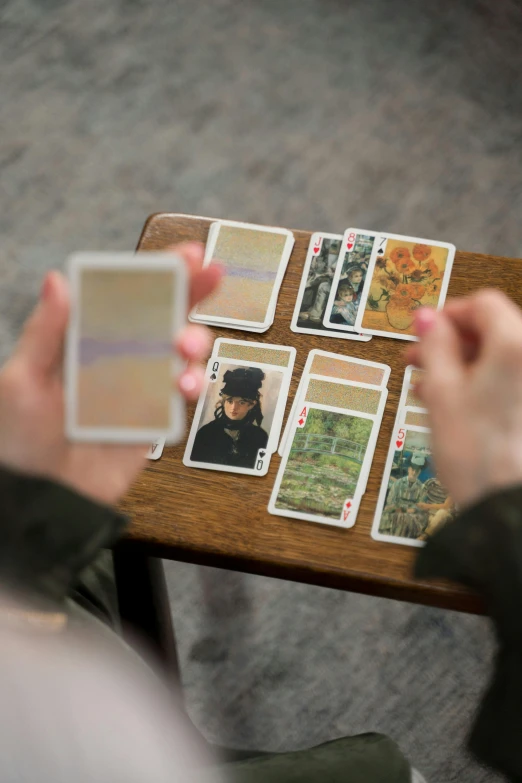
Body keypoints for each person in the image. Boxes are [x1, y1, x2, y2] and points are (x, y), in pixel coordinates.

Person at [190, 367, 269, 468]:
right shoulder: (206, 434)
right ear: (223, 402)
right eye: (230, 401)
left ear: (251, 405)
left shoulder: (260, 436)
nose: (233, 408)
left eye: (241, 402)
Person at [379, 454, 427, 538]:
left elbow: (421, 506)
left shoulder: (422, 488)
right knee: (393, 517)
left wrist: (410, 509)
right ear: (409, 469)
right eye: (413, 469)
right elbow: (390, 501)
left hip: (412, 516)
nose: (414, 472)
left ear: (419, 472)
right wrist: (401, 508)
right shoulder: (398, 483)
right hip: (396, 511)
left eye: (417, 470)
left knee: (407, 520)